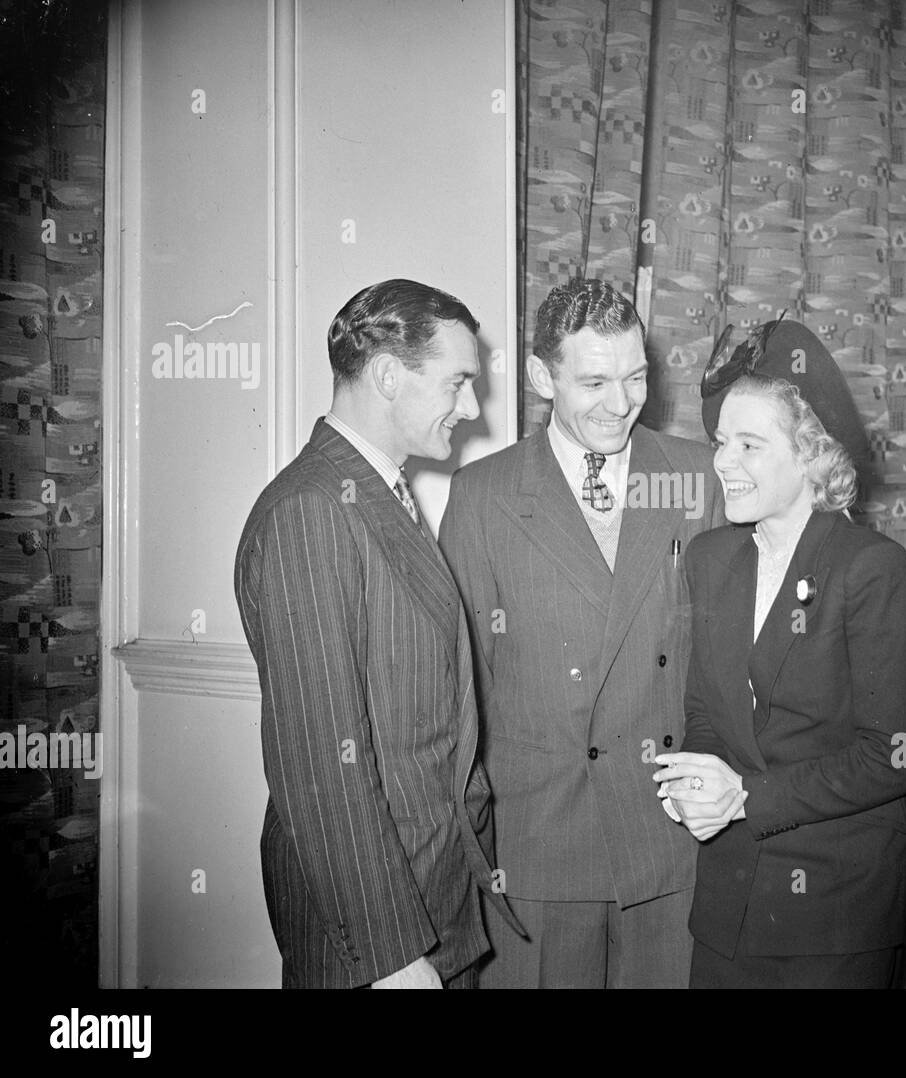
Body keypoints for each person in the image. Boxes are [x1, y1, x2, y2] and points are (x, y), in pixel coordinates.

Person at [439, 278, 725, 988]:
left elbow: (732, 663)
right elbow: (458, 694)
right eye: (594, 381)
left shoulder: (698, 477)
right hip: (538, 853)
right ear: (542, 376)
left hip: (670, 845)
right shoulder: (482, 496)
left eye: (635, 377)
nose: (620, 403)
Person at [234, 279, 521, 988]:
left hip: (431, 898)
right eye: (457, 383)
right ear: (390, 375)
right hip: (378, 935)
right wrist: (391, 954)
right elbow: (320, 763)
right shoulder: (311, 511)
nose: (473, 407)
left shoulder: (369, 493)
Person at [653, 320, 906, 989]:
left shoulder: (870, 568)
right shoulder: (711, 558)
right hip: (727, 907)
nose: (724, 462)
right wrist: (696, 784)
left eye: (750, 444)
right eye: (722, 442)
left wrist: (744, 797)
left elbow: (894, 754)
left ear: (811, 455)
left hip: (836, 915)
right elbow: (706, 710)